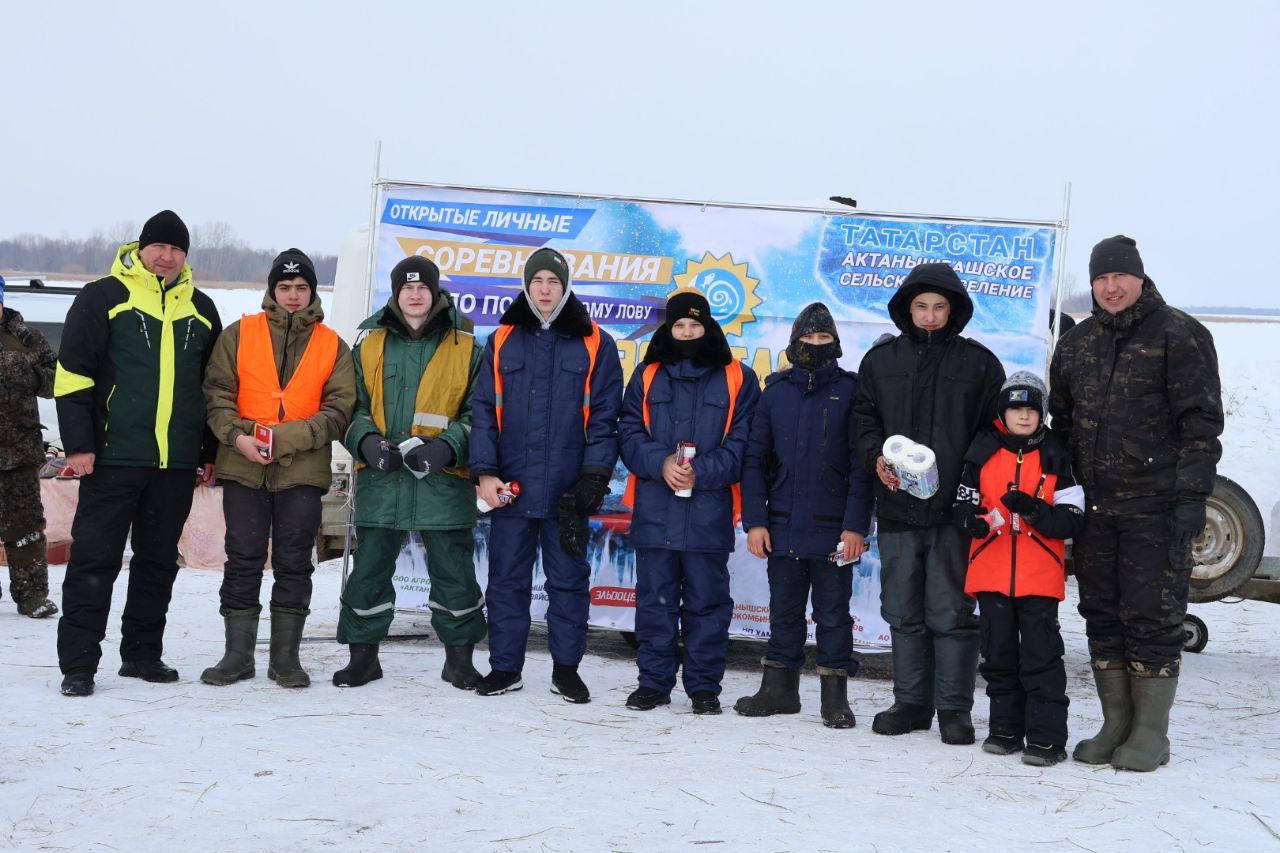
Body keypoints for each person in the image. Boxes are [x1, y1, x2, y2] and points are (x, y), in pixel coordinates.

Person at [1049, 235, 1223, 772]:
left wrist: (1192, 497)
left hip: (1157, 509)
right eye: (1100, 279)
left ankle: (1151, 733)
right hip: (1095, 512)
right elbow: (1061, 422)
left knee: (1151, 617)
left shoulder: (1180, 334)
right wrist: (1061, 489)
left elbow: (1201, 424)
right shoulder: (1078, 345)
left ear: (1140, 278)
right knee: (1101, 613)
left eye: (1119, 277)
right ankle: (1115, 723)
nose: (1110, 287)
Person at [54, 210, 222, 697]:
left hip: (173, 464)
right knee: (94, 560)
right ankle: (79, 664)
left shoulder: (203, 308)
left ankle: (142, 654)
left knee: (157, 563)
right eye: (159, 248)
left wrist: (206, 450)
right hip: (111, 459)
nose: (166, 257)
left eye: (176, 250)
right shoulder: (104, 296)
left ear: (185, 256)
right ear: (141, 249)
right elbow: (73, 376)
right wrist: (80, 445)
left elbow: (211, 389)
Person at [854, 262, 1005, 744]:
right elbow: (863, 421)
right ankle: (911, 704)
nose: (931, 316)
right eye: (921, 306)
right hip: (898, 510)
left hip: (952, 514)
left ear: (955, 310)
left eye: (940, 307)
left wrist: (967, 479)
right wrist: (875, 456)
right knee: (903, 610)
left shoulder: (979, 364)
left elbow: (992, 430)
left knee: (951, 613)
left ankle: (954, 710)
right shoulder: (879, 363)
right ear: (906, 308)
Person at [469, 247, 623, 702]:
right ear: (526, 285)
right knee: (506, 581)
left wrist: (594, 478)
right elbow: (483, 412)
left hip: (566, 492)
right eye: (537, 281)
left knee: (568, 582)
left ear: (566, 286)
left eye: (553, 282)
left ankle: (567, 670)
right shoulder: (502, 340)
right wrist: (484, 472)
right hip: (511, 489)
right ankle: (505, 668)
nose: (544, 289)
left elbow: (605, 417)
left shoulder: (596, 341)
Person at [200, 249, 355, 688]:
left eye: (301, 287)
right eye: (284, 287)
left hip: (302, 471)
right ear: (272, 290)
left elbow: (340, 409)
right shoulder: (238, 334)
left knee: (293, 562)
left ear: (312, 292)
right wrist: (238, 438)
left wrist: (286, 438)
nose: (292, 295)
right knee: (243, 558)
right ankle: (237, 655)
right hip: (243, 465)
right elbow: (216, 394)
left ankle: (286, 658)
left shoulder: (332, 344)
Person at [334, 255, 485, 688]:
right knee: (369, 571)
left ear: (436, 293)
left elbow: (484, 413)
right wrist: (363, 440)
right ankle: (363, 659)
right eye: (406, 288)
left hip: (442, 483)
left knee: (454, 573)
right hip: (383, 481)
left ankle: (459, 662)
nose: (415, 295)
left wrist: (448, 448)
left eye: (423, 288)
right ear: (396, 293)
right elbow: (349, 405)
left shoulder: (468, 346)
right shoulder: (367, 344)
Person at [618, 289, 759, 714]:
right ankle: (654, 683)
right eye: (679, 326)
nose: (687, 333)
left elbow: (744, 442)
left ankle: (703, 687)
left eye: (695, 326)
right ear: (668, 329)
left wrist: (703, 471)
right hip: (655, 511)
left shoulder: (738, 376)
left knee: (707, 604)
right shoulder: (647, 374)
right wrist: (660, 463)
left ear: (709, 327)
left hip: (709, 513)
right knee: (655, 601)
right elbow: (627, 432)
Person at [735, 302, 873, 727]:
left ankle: (834, 699)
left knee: (834, 613)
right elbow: (754, 461)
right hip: (781, 526)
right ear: (794, 343)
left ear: (836, 344)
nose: (815, 345)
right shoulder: (774, 392)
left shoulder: (852, 393)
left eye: (823, 339)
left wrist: (855, 527)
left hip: (834, 532)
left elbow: (861, 467)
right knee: (784, 610)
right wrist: (755, 521)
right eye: (808, 339)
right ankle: (779, 691)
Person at [954, 371, 1084, 766]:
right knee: (999, 655)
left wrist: (1035, 511)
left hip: (1038, 575)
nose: (1023, 416)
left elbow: (1073, 518)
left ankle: (1046, 739)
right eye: (1015, 408)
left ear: (1042, 412)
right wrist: (970, 522)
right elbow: (963, 502)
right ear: (1003, 411)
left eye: (1031, 409)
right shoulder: (982, 448)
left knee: (1041, 658)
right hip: (991, 572)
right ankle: (1005, 730)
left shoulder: (1057, 452)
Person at [0, 273, 60, 618]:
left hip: (18, 451)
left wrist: (34, 375)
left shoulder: (28, 338)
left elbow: (57, 382)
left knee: (25, 528)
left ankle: (32, 596)